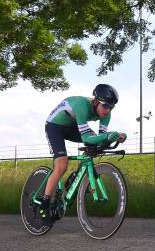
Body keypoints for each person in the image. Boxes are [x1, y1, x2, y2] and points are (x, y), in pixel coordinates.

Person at [40, 84, 127, 226]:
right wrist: (107, 136)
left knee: (96, 144)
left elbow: (101, 138)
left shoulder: (106, 113)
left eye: (111, 107)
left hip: (72, 126)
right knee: (61, 165)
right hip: (55, 127)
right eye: (105, 106)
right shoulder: (82, 106)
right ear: (96, 101)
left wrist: (115, 137)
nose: (108, 110)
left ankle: (76, 175)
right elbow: (87, 139)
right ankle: (44, 203)